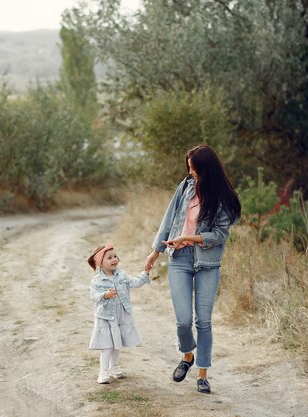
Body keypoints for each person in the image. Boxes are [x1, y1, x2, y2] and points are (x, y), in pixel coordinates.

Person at [145, 144, 241, 394]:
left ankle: (202, 375)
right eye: (189, 169)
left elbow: (220, 235)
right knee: (183, 320)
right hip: (179, 258)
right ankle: (187, 356)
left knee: (204, 321)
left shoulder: (220, 198)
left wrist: (192, 238)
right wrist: (156, 250)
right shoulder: (185, 186)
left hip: (207, 263)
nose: (191, 174)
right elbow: (169, 218)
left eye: (195, 170)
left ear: (206, 170)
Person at [88, 243, 150, 384]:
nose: (114, 259)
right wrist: (105, 295)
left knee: (117, 342)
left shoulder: (121, 275)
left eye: (115, 256)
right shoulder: (96, 280)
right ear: (100, 263)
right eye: (109, 258)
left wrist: (145, 274)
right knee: (107, 344)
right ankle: (103, 372)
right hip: (105, 316)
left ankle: (114, 367)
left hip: (119, 315)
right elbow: (93, 296)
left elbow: (134, 282)